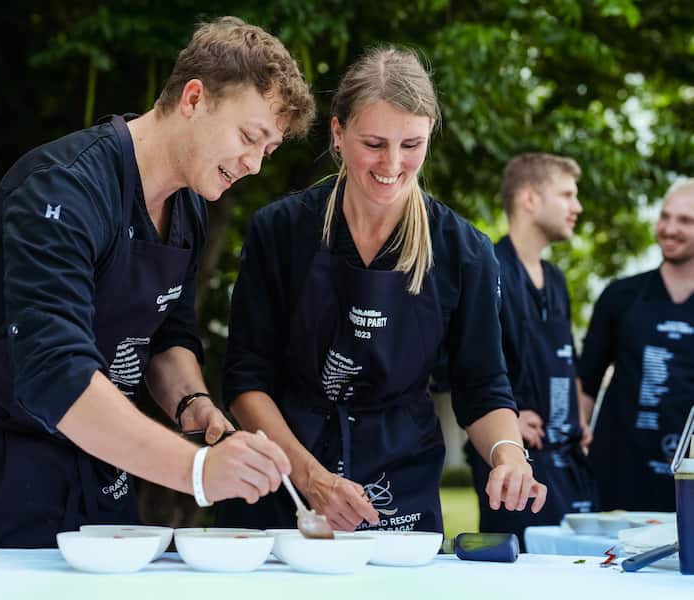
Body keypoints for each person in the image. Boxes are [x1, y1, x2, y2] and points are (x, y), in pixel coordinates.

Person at [0, 16, 315, 548]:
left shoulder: (190, 206)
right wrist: (198, 471)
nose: (255, 165)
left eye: (268, 150)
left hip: (107, 464)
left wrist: (190, 402)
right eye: (249, 137)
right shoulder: (63, 188)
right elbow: (56, 374)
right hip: (8, 465)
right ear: (194, 98)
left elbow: (167, 335)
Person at [217, 47, 547, 533]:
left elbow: (482, 386)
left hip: (400, 490)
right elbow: (246, 382)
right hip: (280, 481)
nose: (392, 164)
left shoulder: (464, 250)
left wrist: (509, 456)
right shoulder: (280, 231)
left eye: (412, 144)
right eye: (374, 143)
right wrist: (311, 478)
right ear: (337, 134)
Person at [467, 153, 598, 548]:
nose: (577, 207)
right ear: (529, 199)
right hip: (514, 460)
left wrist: (578, 418)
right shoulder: (486, 267)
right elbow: (460, 366)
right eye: (567, 195)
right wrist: (508, 422)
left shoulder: (556, 279)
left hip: (567, 459)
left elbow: (566, 359)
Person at [577, 179, 694, 511]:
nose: (669, 229)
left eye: (685, 221)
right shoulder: (620, 296)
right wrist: (575, 439)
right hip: (618, 472)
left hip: (687, 475)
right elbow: (587, 378)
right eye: (665, 217)